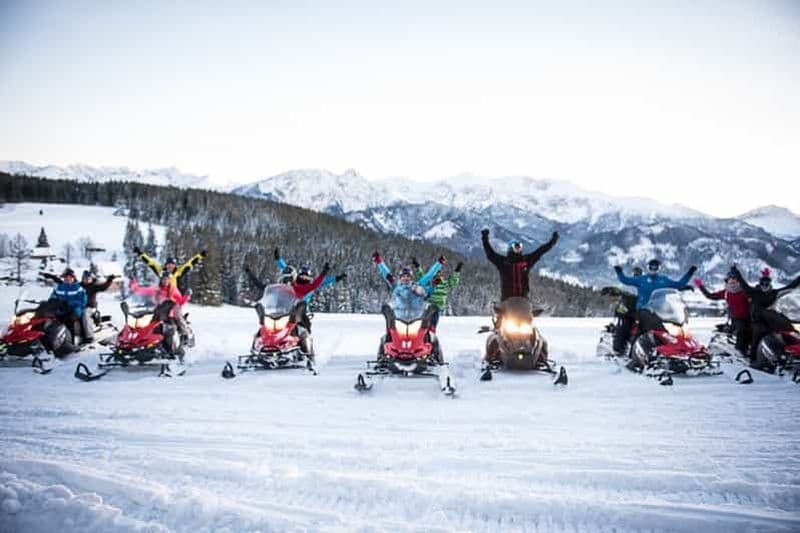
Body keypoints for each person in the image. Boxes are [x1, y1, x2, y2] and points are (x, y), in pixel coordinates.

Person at [730, 265, 800, 365]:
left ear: (770, 283)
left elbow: (790, 287)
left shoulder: (774, 293)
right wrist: (736, 273)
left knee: (788, 331)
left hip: (772, 319)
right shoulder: (754, 292)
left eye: (767, 283)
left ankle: (789, 354)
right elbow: (743, 284)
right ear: (760, 283)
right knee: (760, 332)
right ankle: (753, 358)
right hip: (758, 320)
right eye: (763, 283)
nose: (765, 285)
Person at [133, 248, 204, 345]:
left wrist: (200, 256)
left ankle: (186, 334)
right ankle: (150, 338)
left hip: (176, 300)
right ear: (166, 265)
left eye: (172, 265)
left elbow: (190, 263)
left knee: (177, 316)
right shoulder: (161, 272)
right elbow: (150, 263)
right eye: (168, 264)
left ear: (174, 265)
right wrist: (140, 254)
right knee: (155, 317)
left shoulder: (179, 272)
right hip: (163, 301)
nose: (170, 266)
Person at [614, 259, 697, 334]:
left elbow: (678, 284)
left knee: (670, 325)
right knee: (649, 321)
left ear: (659, 268)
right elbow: (626, 280)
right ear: (648, 267)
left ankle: (671, 342)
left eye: (655, 267)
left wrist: (689, 274)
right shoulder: (641, 279)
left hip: (660, 310)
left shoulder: (664, 280)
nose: (653, 269)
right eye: (651, 267)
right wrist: (619, 272)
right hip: (643, 309)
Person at [481, 228, 558, 301]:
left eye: (520, 248)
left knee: (530, 313)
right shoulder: (503, 262)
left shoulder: (526, 261)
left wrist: (552, 241)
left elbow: (540, 251)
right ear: (510, 249)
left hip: (523, 300)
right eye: (516, 247)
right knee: (500, 312)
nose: (518, 249)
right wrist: (485, 239)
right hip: (506, 300)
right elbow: (490, 254)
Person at [694, 270, 751, 356]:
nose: (732, 280)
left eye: (734, 278)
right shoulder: (726, 292)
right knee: (741, 331)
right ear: (727, 280)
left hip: (748, 318)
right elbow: (711, 296)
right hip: (736, 320)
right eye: (730, 278)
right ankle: (740, 353)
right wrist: (701, 286)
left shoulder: (745, 290)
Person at [130, 271, 193, 345]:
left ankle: (186, 335)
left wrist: (186, 296)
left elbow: (180, 302)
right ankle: (146, 341)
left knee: (178, 319)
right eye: (164, 279)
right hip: (159, 312)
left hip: (171, 311)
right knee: (148, 325)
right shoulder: (156, 290)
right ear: (161, 280)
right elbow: (139, 290)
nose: (165, 281)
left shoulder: (173, 290)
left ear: (170, 280)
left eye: (167, 279)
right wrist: (133, 282)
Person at [411, 256, 462, 331]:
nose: (437, 277)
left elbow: (452, 282)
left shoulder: (445, 284)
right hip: (427, 305)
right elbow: (421, 276)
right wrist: (417, 266)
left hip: (437, 307)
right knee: (424, 317)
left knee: (434, 315)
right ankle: (421, 329)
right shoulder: (429, 282)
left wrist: (457, 271)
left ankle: (431, 330)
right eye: (435, 275)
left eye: (439, 275)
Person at [600, 267, 642, 354]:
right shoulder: (628, 285)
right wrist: (610, 290)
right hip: (627, 311)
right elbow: (619, 290)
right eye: (635, 274)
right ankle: (618, 349)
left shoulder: (646, 286)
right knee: (624, 326)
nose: (637, 276)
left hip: (643, 312)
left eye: (638, 274)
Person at [50, 268, 88, 344]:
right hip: (61, 309)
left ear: (73, 278)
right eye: (66, 277)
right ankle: (54, 340)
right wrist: (51, 303)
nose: (68, 279)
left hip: (74, 309)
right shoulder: (59, 287)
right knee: (52, 320)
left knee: (69, 320)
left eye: (70, 277)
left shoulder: (78, 288)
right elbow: (53, 297)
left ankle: (71, 341)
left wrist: (69, 303)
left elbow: (83, 301)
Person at [79, 270, 116, 343]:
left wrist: (109, 280)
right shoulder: (79, 286)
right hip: (80, 306)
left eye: (88, 278)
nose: (86, 280)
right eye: (85, 278)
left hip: (90, 307)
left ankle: (89, 336)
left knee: (85, 314)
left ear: (91, 279)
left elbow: (103, 287)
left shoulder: (93, 286)